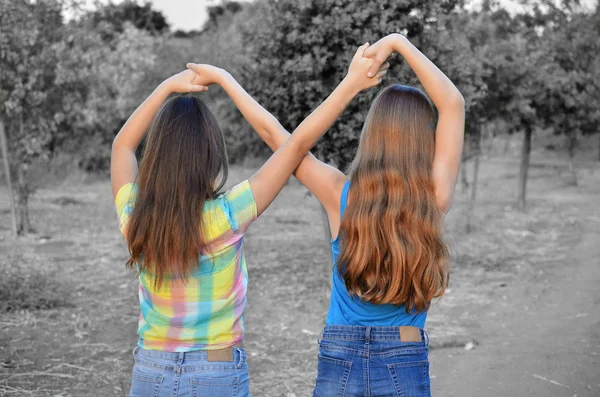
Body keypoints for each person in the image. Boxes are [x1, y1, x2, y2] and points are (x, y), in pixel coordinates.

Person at [111, 44, 387, 396]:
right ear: (211, 154)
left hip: (151, 371)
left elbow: (122, 146)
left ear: (156, 154)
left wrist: (166, 88)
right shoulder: (228, 215)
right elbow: (295, 144)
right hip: (217, 372)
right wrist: (349, 84)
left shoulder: (135, 216)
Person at [248, 33, 465, 396]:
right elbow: (453, 104)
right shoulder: (433, 195)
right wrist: (398, 42)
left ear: (372, 134)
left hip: (340, 351)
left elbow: (277, 136)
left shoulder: (337, 192)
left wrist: (226, 79)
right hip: (404, 350)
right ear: (425, 140)